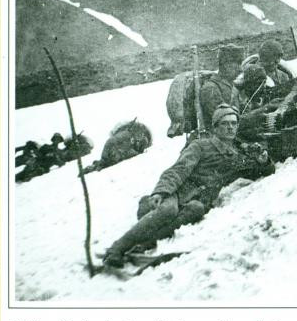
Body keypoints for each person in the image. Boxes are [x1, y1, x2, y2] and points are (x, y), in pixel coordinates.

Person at [102, 105, 274, 267]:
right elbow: (178, 170)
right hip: (177, 192)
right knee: (169, 210)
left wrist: (264, 161)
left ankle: (144, 244)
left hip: (199, 199)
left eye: (233, 123)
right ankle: (116, 249)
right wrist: (161, 192)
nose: (230, 127)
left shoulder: (236, 154)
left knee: (196, 209)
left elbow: (259, 172)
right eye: (225, 124)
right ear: (215, 127)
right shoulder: (200, 146)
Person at [200, 44, 244, 124]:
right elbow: (224, 119)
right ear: (226, 65)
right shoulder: (210, 88)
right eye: (237, 64)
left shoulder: (232, 86)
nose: (240, 69)